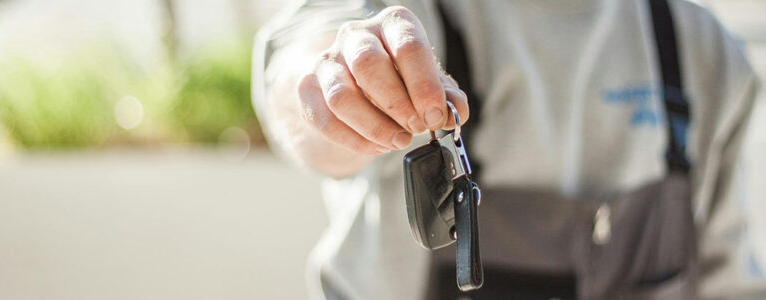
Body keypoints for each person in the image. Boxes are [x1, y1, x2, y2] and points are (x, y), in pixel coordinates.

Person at [252, 0, 765, 298]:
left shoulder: (706, 50)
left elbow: (726, 279)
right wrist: (341, 84)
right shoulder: (414, 12)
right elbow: (302, 78)